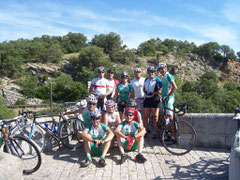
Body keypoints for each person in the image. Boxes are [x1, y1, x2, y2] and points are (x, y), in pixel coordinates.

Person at [157, 62, 177, 142]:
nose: (161, 70)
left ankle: (173, 136)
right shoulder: (164, 77)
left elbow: (175, 87)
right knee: (167, 119)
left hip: (169, 99)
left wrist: (168, 96)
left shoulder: (168, 76)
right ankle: (169, 135)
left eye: (162, 69)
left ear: (166, 68)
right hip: (165, 99)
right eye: (160, 69)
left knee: (170, 117)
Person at [143, 66, 162, 138]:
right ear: (148, 73)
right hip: (147, 98)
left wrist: (152, 93)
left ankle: (155, 131)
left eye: (153, 72)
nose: (152, 73)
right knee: (145, 116)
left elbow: (160, 91)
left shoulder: (158, 80)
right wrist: (145, 92)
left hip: (155, 98)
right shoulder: (146, 80)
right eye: (150, 72)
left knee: (155, 116)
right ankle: (145, 131)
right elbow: (143, 88)